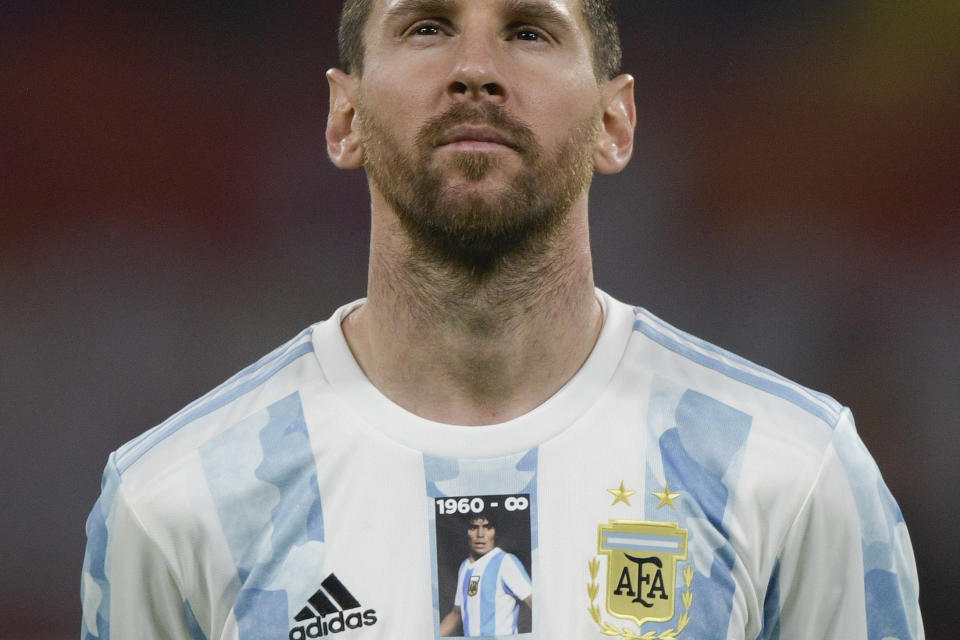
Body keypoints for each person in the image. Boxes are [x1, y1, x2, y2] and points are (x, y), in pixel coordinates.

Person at [81, 0, 925, 639]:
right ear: (344, 118)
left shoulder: (794, 472)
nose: (476, 70)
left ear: (615, 119)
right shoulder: (176, 500)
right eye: (425, 28)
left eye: (528, 31)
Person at [439, 514, 533, 636]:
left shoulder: (505, 562)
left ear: (495, 531)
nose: (480, 534)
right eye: (474, 527)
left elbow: (534, 602)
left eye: (487, 527)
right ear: (466, 531)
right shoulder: (465, 566)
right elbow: (456, 613)